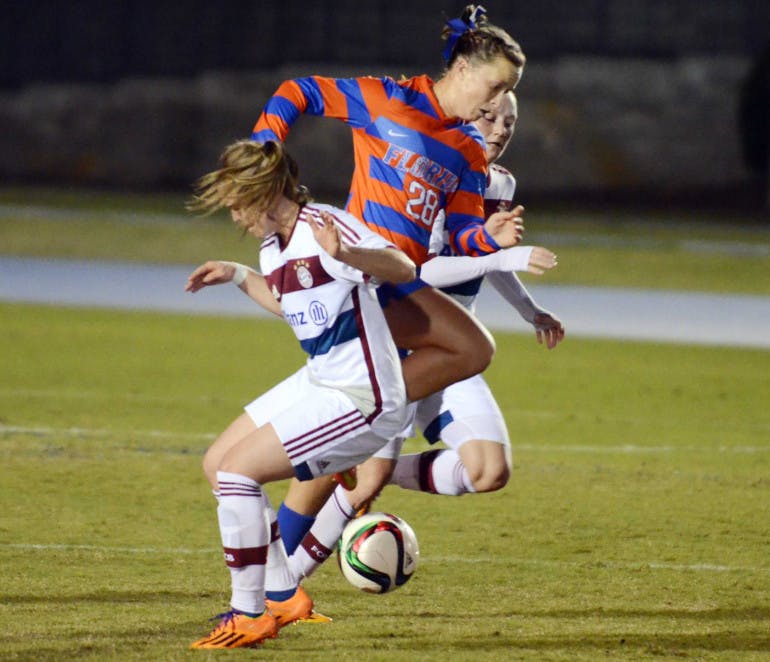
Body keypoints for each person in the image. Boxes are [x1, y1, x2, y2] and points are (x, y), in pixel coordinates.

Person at [246, 4, 533, 611]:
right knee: (333, 464)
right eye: (495, 86)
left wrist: (494, 242)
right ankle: (272, 589)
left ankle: (279, 589)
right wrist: (264, 146)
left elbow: (461, 234)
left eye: (508, 92)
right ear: (460, 68)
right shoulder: (384, 98)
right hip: (360, 292)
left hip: (400, 293)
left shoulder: (469, 154)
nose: (497, 104)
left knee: (373, 456)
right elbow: (297, 90)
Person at [279, 90, 566, 587]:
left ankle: (369, 473)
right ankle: (282, 588)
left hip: (453, 348)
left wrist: (529, 310)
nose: (500, 129)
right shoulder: (434, 174)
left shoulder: (499, 182)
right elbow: (421, 270)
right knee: (352, 478)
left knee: (488, 471)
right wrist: (501, 255)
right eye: (489, 116)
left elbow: (483, 257)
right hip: (398, 345)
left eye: (510, 123)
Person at [183, 139, 416, 650]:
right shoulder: (272, 247)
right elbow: (294, 307)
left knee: (238, 473)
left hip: (363, 397)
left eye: (237, 205)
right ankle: (284, 593)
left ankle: (251, 613)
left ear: (263, 193)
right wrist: (239, 275)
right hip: (321, 376)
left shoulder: (323, 225)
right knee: (218, 463)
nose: (235, 218)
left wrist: (347, 253)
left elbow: (402, 267)